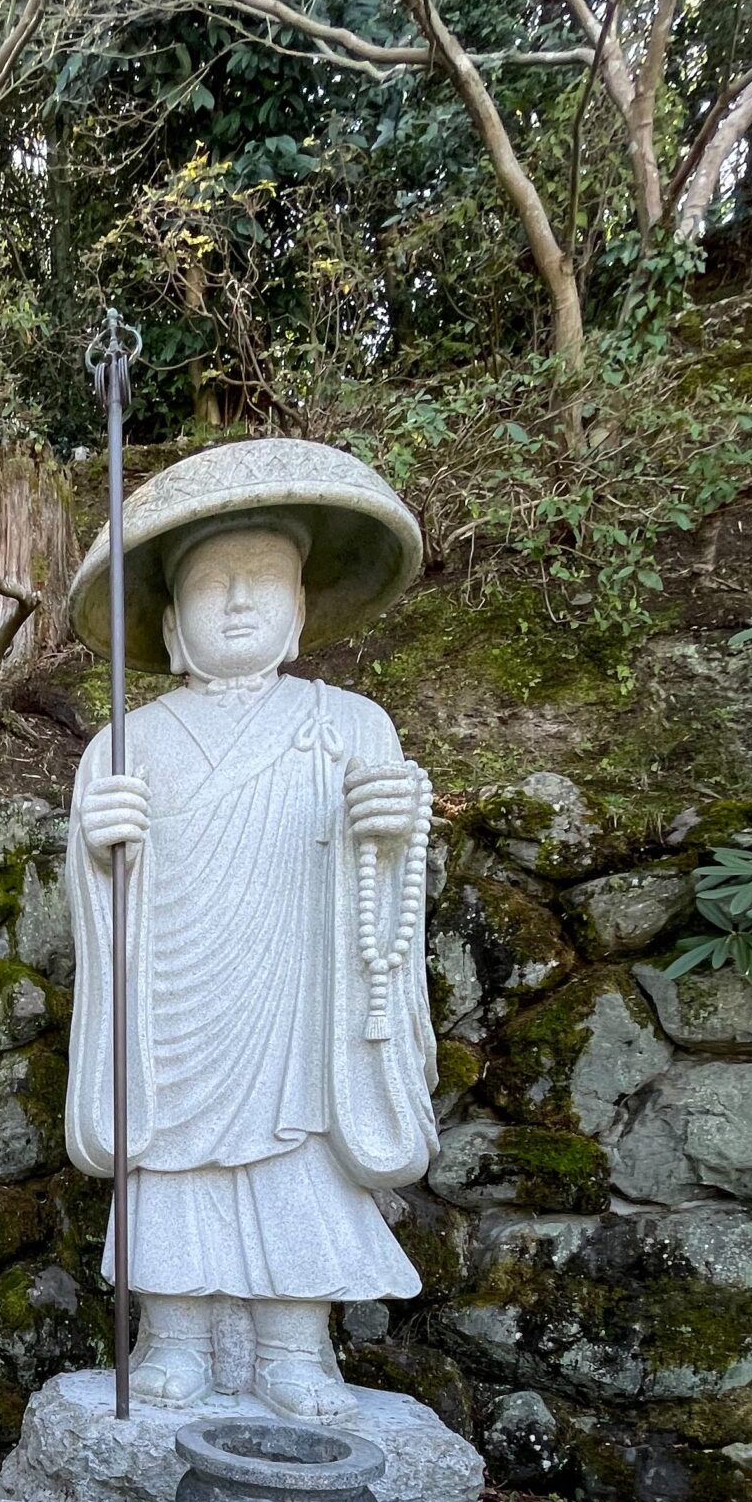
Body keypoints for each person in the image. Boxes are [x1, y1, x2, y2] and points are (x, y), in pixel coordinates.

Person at [64, 439, 436, 1421]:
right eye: (212, 585)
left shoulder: (348, 725)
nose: (236, 601)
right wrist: (100, 851)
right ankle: (174, 1338)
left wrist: (391, 833)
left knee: (296, 1153)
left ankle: (295, 1349)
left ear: (301, 608)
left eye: (262, 580)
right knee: (173, 1154)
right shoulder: (127, 740)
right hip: (178, 989)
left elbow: (384, 875)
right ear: (173, 623)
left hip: (295, 984)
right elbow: (95, 890)